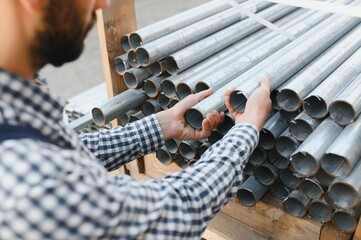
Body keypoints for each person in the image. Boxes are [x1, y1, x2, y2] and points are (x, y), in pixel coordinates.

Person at [0, 0, 271, 239]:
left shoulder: (16, 109)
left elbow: (62, 152)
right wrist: (246, 130)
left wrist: (158, 126)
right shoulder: (28, 191)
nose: (100, 5)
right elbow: (170, 214)